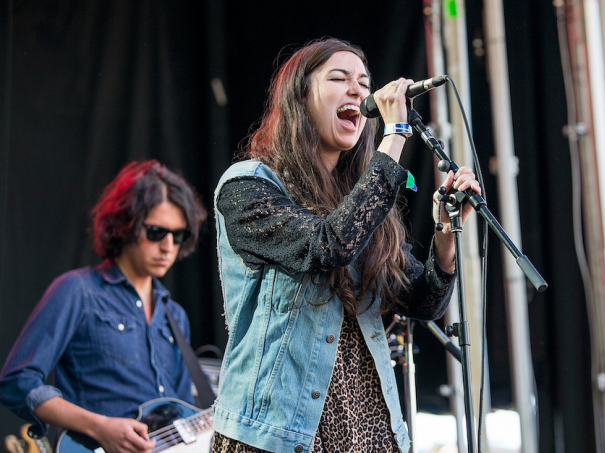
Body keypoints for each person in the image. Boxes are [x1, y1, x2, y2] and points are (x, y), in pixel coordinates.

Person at [211, 37, 481, 453]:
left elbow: (424, 302)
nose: (358, 90)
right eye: (339, 78)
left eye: (364, 81)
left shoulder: (362, 201)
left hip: (368, 425)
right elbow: (329, 246)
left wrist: (445, 232)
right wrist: (396, 134)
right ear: (300, 98)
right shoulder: (247, 187)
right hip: (278, 433)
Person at [0, 160, 207, 453]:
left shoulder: (175, 316)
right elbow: (17, 381)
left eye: (179, 235)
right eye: (157, 232)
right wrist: (99, 427)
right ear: (126, 224)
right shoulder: (77, 291)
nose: (168, 246)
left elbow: (185, 412)